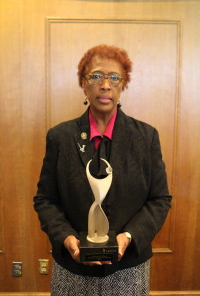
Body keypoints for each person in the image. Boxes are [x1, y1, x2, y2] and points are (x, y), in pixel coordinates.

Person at [34, 44, 172, 296]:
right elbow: (45, 200)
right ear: (83, 84)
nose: (105, 84)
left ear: (123, 85)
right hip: (72, 269)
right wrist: (66, 238)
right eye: (96, 76)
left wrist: (128, 237)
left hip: (129, 268)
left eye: (114, 77)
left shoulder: (146, 136)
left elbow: (160, 199)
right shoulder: (60, 137)